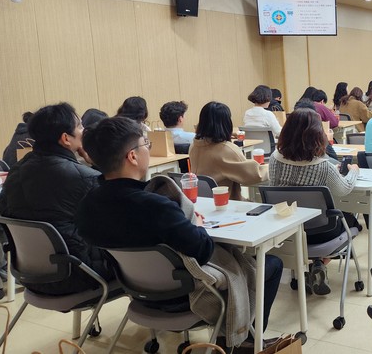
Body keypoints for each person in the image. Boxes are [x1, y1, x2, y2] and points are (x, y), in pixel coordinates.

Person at [76, 117, 282, 349]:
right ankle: (246, 343)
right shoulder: (155, 206)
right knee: (271, 264)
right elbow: (203, 250)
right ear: (132, 156)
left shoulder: (87, 206)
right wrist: (194, 222)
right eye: (146, 144)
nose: (148, 150)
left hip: (136, 292)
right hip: (186, 296)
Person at [0, 103, 111, 295]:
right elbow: (118, 206)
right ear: (66, 138)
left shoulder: (16, 171)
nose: (84, 131)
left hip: (30, 275)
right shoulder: (83, 177)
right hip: (79, 273)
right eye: (80, 126)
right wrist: (97, 162)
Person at [269, 108, 360, 295]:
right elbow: (343, 190)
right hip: (321, 233)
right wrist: (354, 172)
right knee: (352, 221)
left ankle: (314, 265)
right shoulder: (324, 166)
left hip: (287, 230)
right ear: (317, 135)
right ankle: (320, 263)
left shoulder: (274, 159)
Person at [191, 102, 269, 200]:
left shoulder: (194, 146)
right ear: (226, 123)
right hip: (226, 202)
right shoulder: (226, 150)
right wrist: (270, 167)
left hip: (203, 202)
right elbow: (255, 175)